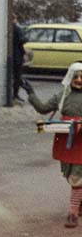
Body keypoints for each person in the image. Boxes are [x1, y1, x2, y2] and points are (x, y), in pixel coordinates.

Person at [26, 64, 82, 226]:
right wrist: (31, 93)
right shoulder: (62, 96)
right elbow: (43, 108)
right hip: (65, 140)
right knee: (68, 173)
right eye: (75, 77)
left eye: (81, 76)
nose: (79, 80)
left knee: (76, 176)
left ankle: (72, 214)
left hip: (81, 141)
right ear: (69, 78)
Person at [12, 14, 27, 101]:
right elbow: (23, 40)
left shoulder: (9, 29)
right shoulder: (17, 29)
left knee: (14, 76)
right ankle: (15, 94)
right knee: (17, 76)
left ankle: (14, 94)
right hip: (17, 56)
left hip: (13, 55)